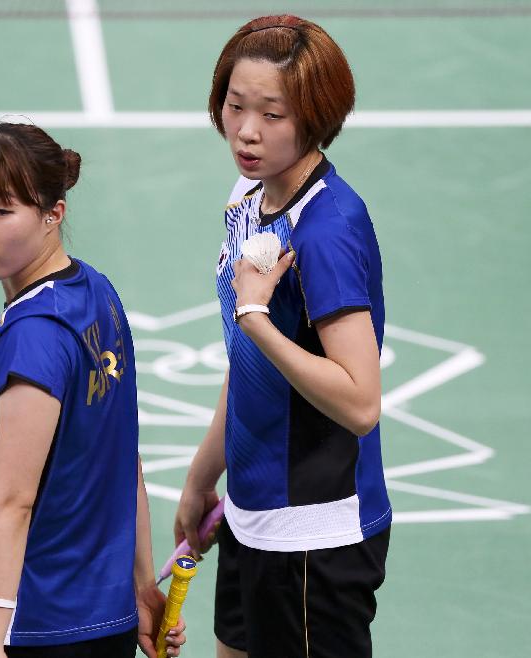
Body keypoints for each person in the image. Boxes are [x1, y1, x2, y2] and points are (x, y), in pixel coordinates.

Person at [0, 122, 185, 658]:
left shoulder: (34, 334)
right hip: (103, 621)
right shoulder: (96, 293)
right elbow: (121, 458)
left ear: (53, 214)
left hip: (10, 621)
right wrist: (140, 586)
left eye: (1, 211)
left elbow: (11, 502)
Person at [174, 15, 391, 658]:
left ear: (316, 117)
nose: (246, 130)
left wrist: (256, 317)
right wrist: (203, 476)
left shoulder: (327, 231)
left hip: (313, 538)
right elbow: (248, 365)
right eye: (235, 105)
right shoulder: (249, 195)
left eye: (272, 114)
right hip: (252, 513)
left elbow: (360, 403)